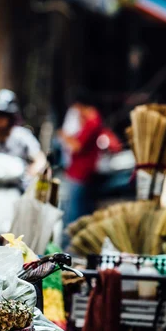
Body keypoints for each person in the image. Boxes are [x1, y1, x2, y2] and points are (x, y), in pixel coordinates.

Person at [58, 89, 108, 248]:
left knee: (73, 218)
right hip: (76, 174)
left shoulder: (93, 121)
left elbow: (77, 146)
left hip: (80, 175)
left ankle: (70, 252)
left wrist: (63, 136)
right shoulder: (88, 121)